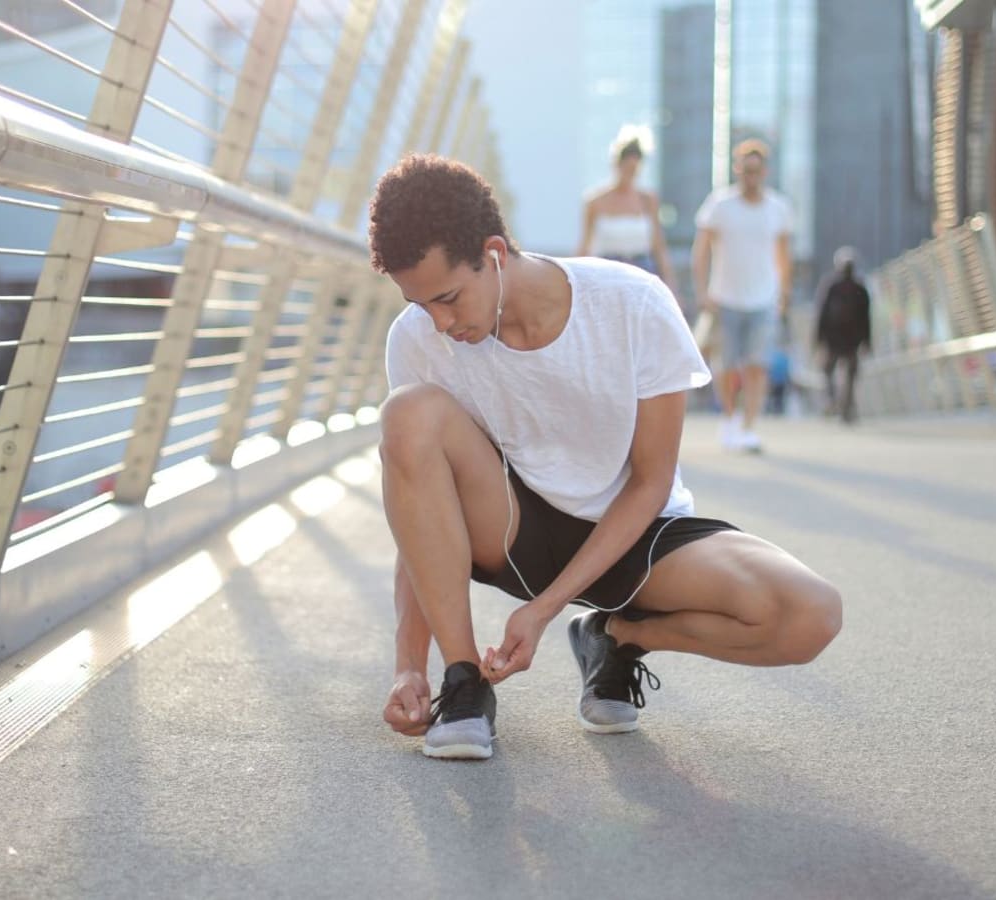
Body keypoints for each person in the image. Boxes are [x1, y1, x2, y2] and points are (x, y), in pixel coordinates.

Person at [371, 154, 841, 761]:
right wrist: (408, 666)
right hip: (513, 528)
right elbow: (416, 507)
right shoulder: (417, 338)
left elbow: (650, 483)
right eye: (420, 304)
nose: (438, 322)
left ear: (493, 253)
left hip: (637, 531)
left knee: (810, 614)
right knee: (406, 414)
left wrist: (545, 612)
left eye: (449, 298)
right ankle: (462, 686)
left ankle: (617, 637)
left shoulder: (633, 304)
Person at [691, 139, 793, 452]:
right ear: (737, 169)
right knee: (726, 365)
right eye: (745, 170)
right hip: (725, 298)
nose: (751, 175)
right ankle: (729, 419)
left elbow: (783, 255)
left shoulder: (778, 208)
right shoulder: (719, 205)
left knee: (757, 365)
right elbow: (702, 250)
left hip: (763, 299)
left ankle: (749, 426)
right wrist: (702, 290)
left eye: (756, 170)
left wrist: (784, 293)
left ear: (765, 171)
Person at [578, 125, 676, 294]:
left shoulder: (648, 200)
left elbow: (659, 246)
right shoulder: (595, 201)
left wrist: (671, 286)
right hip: (606, 275)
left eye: (634, 170)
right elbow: (584, 246)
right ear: (616, 164)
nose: (630, 174)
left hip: (642, 273)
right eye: (626, 168)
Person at [814, 246, 871, 423]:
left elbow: (821, 314)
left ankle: (839, 403)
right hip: (848, 339)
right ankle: (843, 405)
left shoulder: (833, 285)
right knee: (846, 373)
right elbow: (866, 318)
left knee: (832, 371)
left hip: (838, 339)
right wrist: (868, 340)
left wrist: (818, 338)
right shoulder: (859, 287)